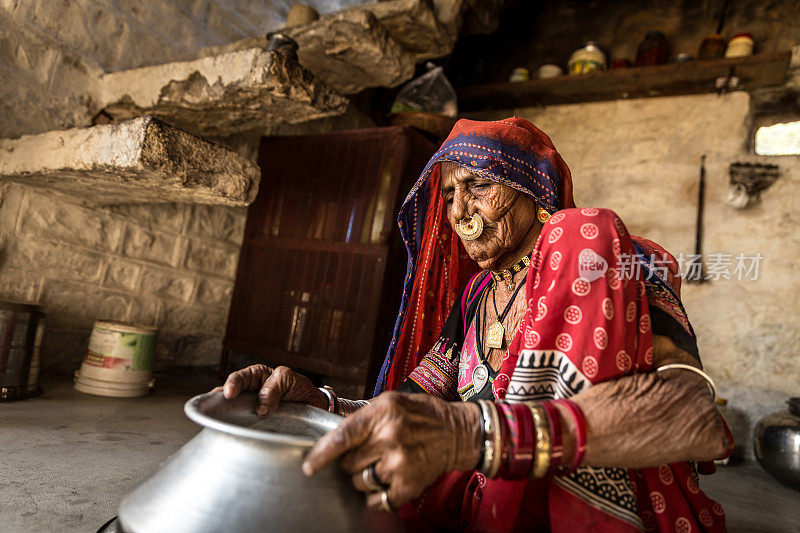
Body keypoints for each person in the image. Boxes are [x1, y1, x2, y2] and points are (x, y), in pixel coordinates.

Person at [218, 118, 732, 532]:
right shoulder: (476, 297)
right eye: (448, 195)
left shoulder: (615, 263)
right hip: (490, 503)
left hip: (600, 506)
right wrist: (323, 404)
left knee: (584, 230)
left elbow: (696, 418)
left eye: (478, 185)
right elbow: (420, 406)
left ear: (534, 189)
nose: (459, 212)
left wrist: (474, 432)